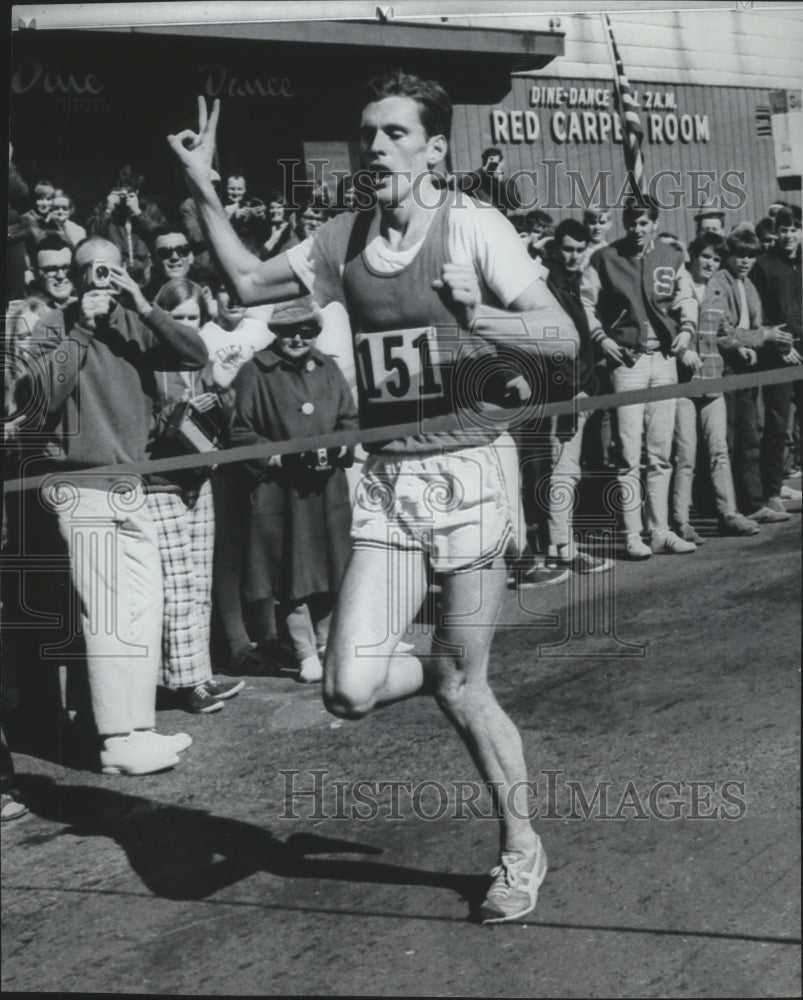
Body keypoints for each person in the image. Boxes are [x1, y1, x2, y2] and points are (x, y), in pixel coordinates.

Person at [169, 69, 581, 924]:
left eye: (394, 134)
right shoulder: (341, 236)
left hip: (467, 472)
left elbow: (560, 334)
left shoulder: (473, 226)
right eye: (367, 134)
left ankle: (517, 847)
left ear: (435, 149)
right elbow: (246, 284)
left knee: (468, 691)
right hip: (390, 483)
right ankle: (443, 666)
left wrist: (484, 318)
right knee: (347, 689)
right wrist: (203, 187)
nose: (375, 147)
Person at [19, 236, 208, 775]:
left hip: (133, 481)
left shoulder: (134, 322)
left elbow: (195, 354)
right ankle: (114, 739)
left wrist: (143, 305)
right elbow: (39, 401)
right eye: (88, 271)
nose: (97, 279)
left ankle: (140, 727)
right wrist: (81, 325)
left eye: (109, 270)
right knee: (105, 612)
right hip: (81, 483)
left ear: (125, 270)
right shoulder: (54, 325)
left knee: (145, 607)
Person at [230, 297, 357, 683]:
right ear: (276, 333)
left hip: (325, 488)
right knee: (290, 575)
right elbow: (238, 432)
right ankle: (304, 652)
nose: (298, 339)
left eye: (306, 331)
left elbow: (349, 420)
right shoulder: (254, 373)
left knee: (331, 569)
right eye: (289, 332)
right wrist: (278, 459)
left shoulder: (329, 367)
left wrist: (339, 445)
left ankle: (326, 644)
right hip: (279, 492)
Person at [147, 278, 246, 713]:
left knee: (200, 580)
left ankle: (199, 673)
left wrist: (219, 395)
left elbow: (226, 420)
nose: (187, 325)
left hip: (199, 476)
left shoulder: (199, 361)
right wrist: (178, 417)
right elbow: (147, 424)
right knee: (178, 585)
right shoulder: (147, 360)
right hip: (160, 481)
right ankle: (183, 683)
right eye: (178, 317)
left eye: (194, 317)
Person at [582, 194, 699, 559]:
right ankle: (633, 533)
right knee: (628, 454)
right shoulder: (604, 258)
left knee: (660, 452)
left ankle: (660, 530)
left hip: (662, 359)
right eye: (631, 222)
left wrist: (687, 329)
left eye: (644, 222)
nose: (636, 229)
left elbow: (686, 298)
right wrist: (601, 339)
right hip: (627, 363)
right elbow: (584, 302)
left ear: (655, 224)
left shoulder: (670, 256)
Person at [703, 229, 795, 523]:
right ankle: (737, 506)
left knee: (749, 434)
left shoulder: (749, 284)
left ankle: (753, 503)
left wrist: (767, 340)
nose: (745, 261)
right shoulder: (719, 281)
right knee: (731, 439)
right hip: (725, 368)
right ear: (728, 255)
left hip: (746, 367)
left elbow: (755, 328)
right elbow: (721, 329)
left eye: (750, 255)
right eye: (739, 255)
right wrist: (759, 337)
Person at [672, 234, 759, 540]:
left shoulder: (717, 288)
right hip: (681, 383)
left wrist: (738, 347)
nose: (710, 264)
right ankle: (680, 522)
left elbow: (723, 331)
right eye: (705, 257)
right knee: (685, 456)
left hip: (713, 378)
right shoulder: (676, 285)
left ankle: (729, 514)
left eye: (715, 259)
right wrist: (682, 352)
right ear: (693, 255)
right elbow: (669, 328)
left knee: (719, 450)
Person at [542, 220, 611, 573]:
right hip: (563, 395)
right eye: (567, 249)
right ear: (555, 250)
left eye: (579, 250)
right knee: (563, 472)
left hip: (579, 391)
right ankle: (562, 549)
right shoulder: (548, 288)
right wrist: (575, 388)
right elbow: (553, 348)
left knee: (567, 471)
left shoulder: (570, 286)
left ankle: (560, 544)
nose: (573, 256)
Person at [745, 205, 803, 513]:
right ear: (775, 232)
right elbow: (759, 316)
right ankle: (771, 494)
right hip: (779, 359)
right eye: (783, 229)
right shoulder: (762, 266)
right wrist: (781, 346)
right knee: (777, 427)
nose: (789, 235)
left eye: (795, 229)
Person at [86, 166, 167, 287]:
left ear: (138, 191)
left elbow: (164, 235)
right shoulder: (104, 209)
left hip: (147, 271)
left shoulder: (149, 208)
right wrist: (108, 211)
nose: (124, 197)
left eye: (130, 192)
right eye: (120, 192)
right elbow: (92, 236)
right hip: (115, 270)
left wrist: (139, 213)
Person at [144, 227, 195, 300]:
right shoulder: (140, 300)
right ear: (152, 259)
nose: (175, 257)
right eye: (164, 252)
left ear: (191, 256)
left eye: (182, 250)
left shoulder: (206, 295)